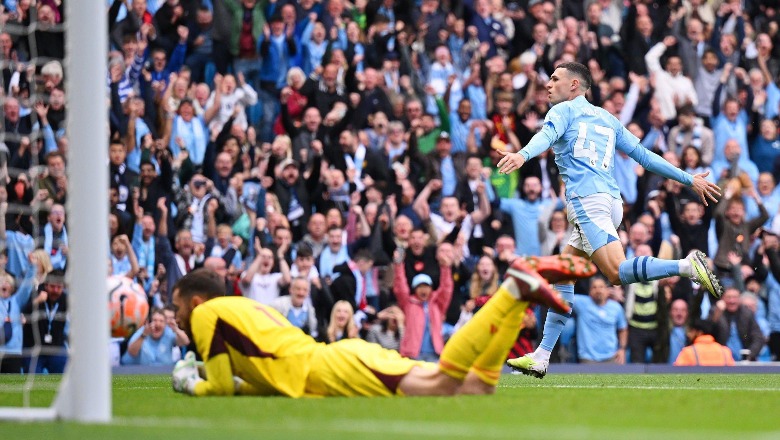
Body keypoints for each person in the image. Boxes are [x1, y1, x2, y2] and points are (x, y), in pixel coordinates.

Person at [498, 62, 723, 378]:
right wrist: (689, 179)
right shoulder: (607, 118)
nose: (548, 85)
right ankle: (541, 356)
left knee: (616, 273)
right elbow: (645, 156)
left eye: (554, 79)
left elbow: (545, 137)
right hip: (610, 202)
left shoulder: (562, 111)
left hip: (588, 203)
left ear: (575, 85)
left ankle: (686, 267)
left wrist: (522, 155)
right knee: (565, 273)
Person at [169, 255, 594, 397]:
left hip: (329, 368)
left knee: (442, 384)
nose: (176, 316)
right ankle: (515, 295)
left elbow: (220, 389)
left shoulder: (206, 315)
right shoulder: (240, 307)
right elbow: (253, 377)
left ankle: (512, 291)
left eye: (177, 307)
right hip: (333, 361)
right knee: (475, 387)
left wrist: (189, 379)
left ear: (195, 301)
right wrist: (210, 372)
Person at [121, 308, 190, 366]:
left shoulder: (168, 332)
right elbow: (132, 352)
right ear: (148, 322)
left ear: (165, 324)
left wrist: (176, 329)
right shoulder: (143, 332)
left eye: (161, 321)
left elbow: (185, 342)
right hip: (140, 373)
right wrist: (143, 335)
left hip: (164, 373)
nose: (158, 324)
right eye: (155, 320)